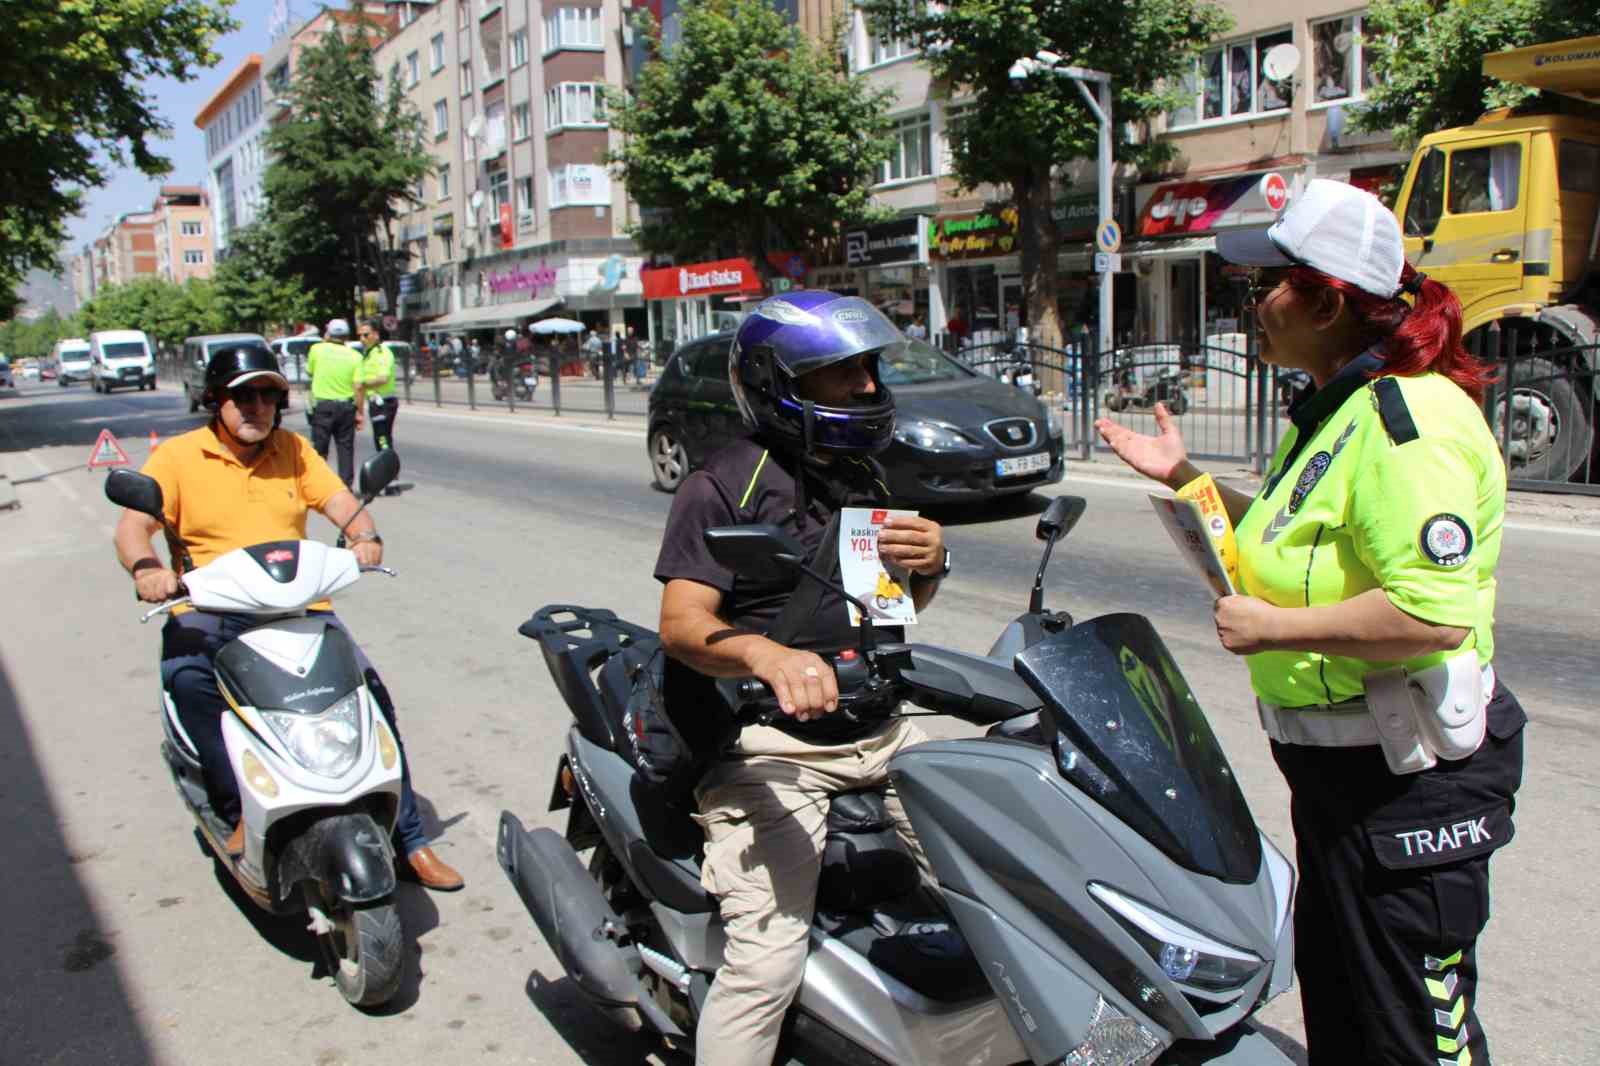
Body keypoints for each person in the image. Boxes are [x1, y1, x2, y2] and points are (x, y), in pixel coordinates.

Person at [1095, 179, 1523, 1066]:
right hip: (1339, 775)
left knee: (1414, 1037)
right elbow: (1293, 536)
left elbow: (1430, 612)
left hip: (1409, 784)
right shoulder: (1335, 406)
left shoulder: (1409, 422)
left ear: (1327, 301)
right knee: (1346, 1014)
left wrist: (1272, 631)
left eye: (1268, 286)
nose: (1253, 306)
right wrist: (1187, 482)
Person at [654, 291, 950, 1066]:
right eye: (840, 374)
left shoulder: (865, 477)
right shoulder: (721, 485)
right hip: (771, 748)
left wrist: (929, 569)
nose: (865, 388)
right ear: (778, 382)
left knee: (1001, 885)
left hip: (882, 730)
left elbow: (886, 611)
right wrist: (764, 655)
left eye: (869, 369)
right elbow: (681, 625)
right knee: (766, 961)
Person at [111, 343, 464, 891]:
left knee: (370, 696)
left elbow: (341, 501)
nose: (256, 406)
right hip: (210, 608)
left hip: (294, 605)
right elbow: (134, 525)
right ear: (215, 401)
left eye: (268, 394)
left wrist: (365, 534)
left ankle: (410, 841)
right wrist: (145, 570)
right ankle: (233, 813)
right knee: (189, 681)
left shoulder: (295, 451)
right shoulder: (179, 457)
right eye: (242, 395)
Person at [306, 318, 364, 487]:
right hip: (346, 407)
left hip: (323, 407)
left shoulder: (317, 350)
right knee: (345, 448)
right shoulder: (355, 356)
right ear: (346, 336)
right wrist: (360, 412)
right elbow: (358, 386)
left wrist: (325, 340)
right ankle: (345, 487)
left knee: (320, 448)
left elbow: (310, 371)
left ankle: (319, 485)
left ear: (328, 333)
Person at [357, 320, 400, 494]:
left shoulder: (382, 352)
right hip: (376, 401)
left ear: (376, 334)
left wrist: (363, 384)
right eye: (359, 335)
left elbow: (382, 378)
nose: (362, 338)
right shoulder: (368, 353)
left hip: (384, 402)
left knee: (383, 441)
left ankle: (391, 482)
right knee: (381, 440)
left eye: (365, 334)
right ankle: (388, 480)